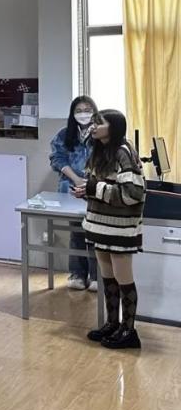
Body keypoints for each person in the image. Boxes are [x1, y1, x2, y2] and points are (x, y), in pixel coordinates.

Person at [72, 109, 145, 349]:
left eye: (99, 123)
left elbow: (133, 193)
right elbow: (100, 187)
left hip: (119, 228)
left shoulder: (124, 152)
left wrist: (95, 188)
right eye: (93, 122)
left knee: (124, 279)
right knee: (108, 277)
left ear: (114, 127)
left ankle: (129, 330)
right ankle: (113, 324)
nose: (93, 126)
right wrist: (86, 191)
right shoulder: (99, 151)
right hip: (100, 224)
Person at [50, 96, 98, 290]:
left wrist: (92, 182)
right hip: (71, 190)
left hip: (96, 190)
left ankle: (96, 276)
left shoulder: (100, 133)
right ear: (72, 114)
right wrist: (76, 179)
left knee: (95, 232)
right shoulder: (64, 134)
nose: (83, 114)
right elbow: (57, 159)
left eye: (87, 109)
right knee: (77, 233)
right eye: (79, 110)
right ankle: (77, 274)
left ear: (94, 111)